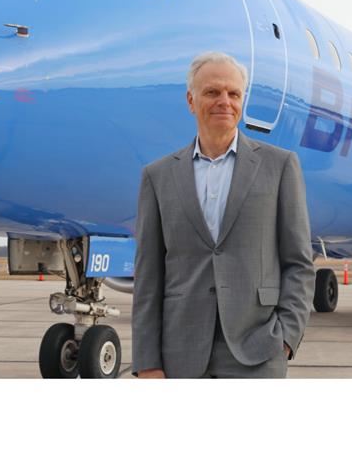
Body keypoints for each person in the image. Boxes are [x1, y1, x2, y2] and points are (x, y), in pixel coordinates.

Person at [131, 51, 314, 378]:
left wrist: (286, 337)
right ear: (191, 101)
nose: (224, 102)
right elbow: (148, 277)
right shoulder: (157, 176)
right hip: (179, 355)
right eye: (212, 92)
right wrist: (147, 363)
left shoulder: (280, 167)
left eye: (234, 93)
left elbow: (298, 262)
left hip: (258, 351)